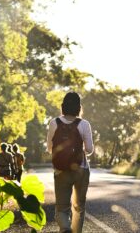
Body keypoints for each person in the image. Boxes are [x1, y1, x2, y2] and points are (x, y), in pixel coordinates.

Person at [47, 92, 94, 233]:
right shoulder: (84, 124)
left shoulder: (54, 123)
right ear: (79, 108)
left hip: (60, 170)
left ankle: (65, 228)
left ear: (63, 107)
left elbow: (50, 149)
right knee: (79, 206)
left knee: (62, 207)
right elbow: (89, 149)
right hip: (81, 169)